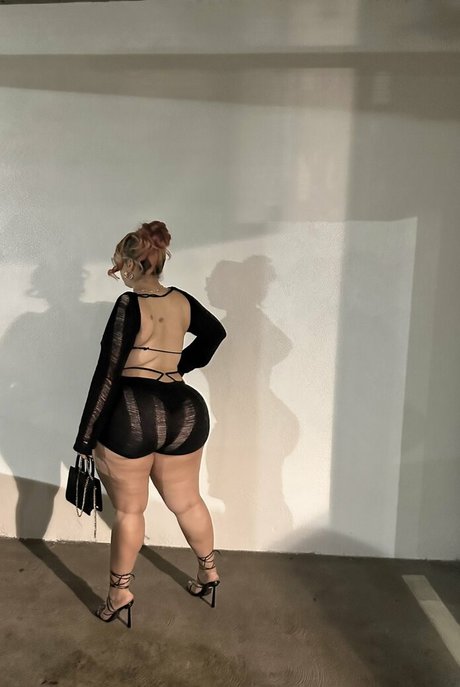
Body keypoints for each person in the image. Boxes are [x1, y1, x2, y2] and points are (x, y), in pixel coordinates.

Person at [73, 220, 226, 627]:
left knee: (129, 511)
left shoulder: (128, 303)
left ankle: (119, 593)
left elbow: (108, 371)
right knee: (188, 500)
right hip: (184, 407)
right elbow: (215, 333)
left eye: (118, 263)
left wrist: (85, 437)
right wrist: (180, 366)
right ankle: (209, 572)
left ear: (130, 265)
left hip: (133, 409)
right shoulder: (182, 301)